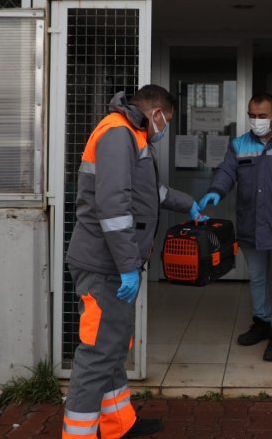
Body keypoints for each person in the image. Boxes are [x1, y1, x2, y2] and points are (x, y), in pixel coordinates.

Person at [62, 85, 206, 439]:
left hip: (111, 263)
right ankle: (77, 434)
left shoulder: (132, 135)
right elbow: (113, 208)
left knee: (111, 345)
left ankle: (118, 425)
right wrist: (128, 264)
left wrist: (187, 202)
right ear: (156, 112)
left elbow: (149, 193)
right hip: (105, 264)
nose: (164, 129)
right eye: (167, 121)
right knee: (97, 354)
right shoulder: (117, 135)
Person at [197, 93, 272, 362]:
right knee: (258, 279)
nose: (257, 121)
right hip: (252, 225)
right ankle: (261, 322)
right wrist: (216, 190)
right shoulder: (239, 145)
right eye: (252, 115)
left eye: (262, 116)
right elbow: (226, 172)